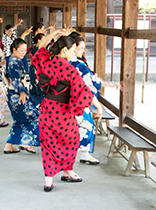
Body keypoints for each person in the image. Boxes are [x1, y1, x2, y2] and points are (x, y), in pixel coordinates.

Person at [33, 35, 103, 192]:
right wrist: (98, 106)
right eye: (72, 50)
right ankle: (67, 171)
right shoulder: (70, 69)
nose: (74, 53)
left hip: (47, 109)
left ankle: (48, 180)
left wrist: (54, 32)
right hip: (62, 112)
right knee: (72, 139)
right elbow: (84, 91)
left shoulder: (46, 62)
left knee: (48, 143)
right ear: (64, 50)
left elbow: (40, 50)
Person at [69, 34, 120, 164]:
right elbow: (91, 83)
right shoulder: (78, 64)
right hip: (78, 102)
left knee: (72, 127)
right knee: (87, 125)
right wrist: (109, 84)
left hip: (64, 101)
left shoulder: (62, 62)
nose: (83, 50)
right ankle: (84, 154)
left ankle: (77, 154)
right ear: (73, 47)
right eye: (81, 48)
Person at [3, 38, 40, 154]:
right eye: (21, 50)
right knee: (32, 116)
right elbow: (15, 79)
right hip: (17, 95)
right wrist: (22, 92)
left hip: (13, 94)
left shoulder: (11, 59)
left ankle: (9, 146)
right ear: (14, 49)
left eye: (25, 50)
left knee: (20, 120)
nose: (24, 52)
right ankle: (26, 141)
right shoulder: (14, 62)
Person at [28, 33, 45, 109]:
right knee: (37, 88)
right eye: (43, 39)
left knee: (35, 86)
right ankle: (37, 105)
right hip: (36, 69)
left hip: (34, 69)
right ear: (39, 40)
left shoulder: (33, 48)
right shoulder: (36, 50)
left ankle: (35, 104)